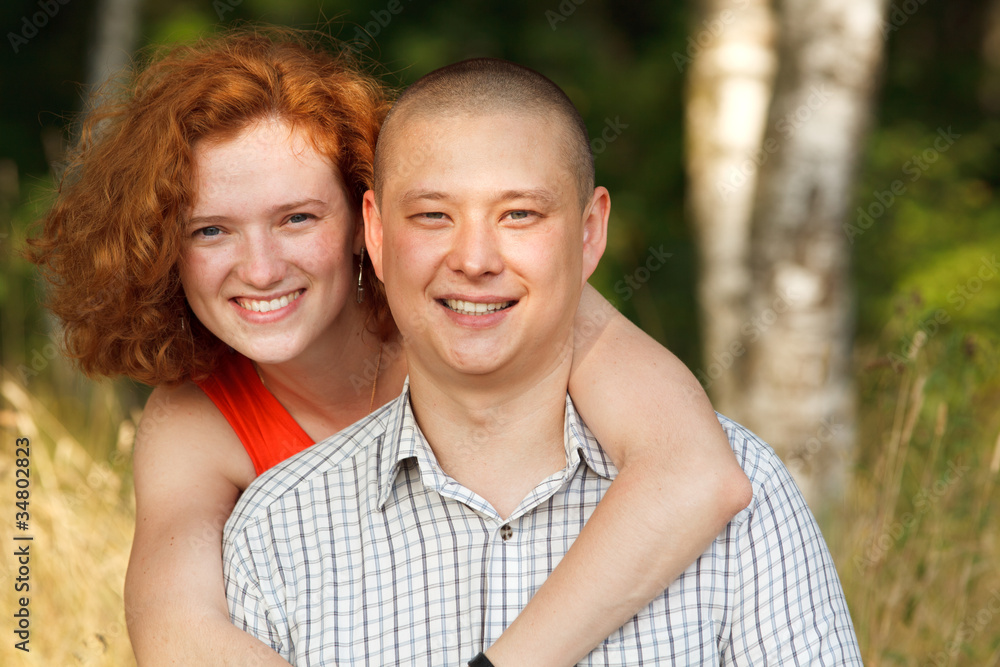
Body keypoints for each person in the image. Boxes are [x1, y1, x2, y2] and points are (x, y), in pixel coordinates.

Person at [27, 28, 751, 667]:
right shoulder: (195, 419)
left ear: (363, 221)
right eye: (211, 229)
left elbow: (695, 475)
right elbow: (177, 636)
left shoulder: (480, 304)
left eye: (296, 217)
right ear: (164, 250)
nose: (260, 267)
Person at [224, 57, 863, 665]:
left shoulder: (745, 493)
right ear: (378, 235)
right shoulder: (280, 530)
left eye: (520, 214)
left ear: (589, 233)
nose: (474, 259)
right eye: (433, 215)